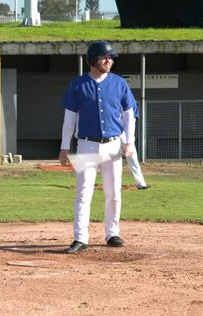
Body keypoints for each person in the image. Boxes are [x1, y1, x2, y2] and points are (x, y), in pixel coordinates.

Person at [58, 40, 137, 254]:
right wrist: (64, 147)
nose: (109, 61)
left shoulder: (119, 83)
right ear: (93, 60)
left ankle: (112, 233)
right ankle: (80, 238)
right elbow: (70, 118)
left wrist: (129, 142)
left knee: (113, 192)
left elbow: (129, 115)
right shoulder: (78, 84)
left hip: (113, 146)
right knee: (83, 193)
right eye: (104, 57)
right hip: (86, 145)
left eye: (110, 58)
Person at [123, 102, 149, 190]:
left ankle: (141, 183)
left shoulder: (130, 103)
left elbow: (132, 118)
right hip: (113, 132)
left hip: (125, 136)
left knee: (133, 158)